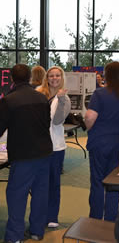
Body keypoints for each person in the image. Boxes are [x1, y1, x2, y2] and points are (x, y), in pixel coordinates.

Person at [0, 64, 53, 242]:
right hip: (45, 152)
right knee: (40, 192)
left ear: (12, 79)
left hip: (23, 156)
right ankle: (37, 231)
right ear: (30, 77)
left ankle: (14, 236)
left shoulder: (9, 100)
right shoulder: (42, 98)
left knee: (17, 195)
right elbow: (47, 123)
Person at [85, 61, 119, 221]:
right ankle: (111, 220)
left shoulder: (99, 94)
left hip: (100, 143)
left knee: (98, 182)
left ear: (107, 75)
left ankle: (95, 219)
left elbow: (90, 117)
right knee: (113, 184)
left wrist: (88, 127)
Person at [37, 66, 71, 228]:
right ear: (47, 77)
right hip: (37, 146)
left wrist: (61, 99)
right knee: (39, 184)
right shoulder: (38, 92)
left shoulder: (65, 98)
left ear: (61, 77)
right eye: (51, 76)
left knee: (53, 184)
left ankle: (52, 216)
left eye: (57, 75)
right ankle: (39, 216)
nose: (54, 78)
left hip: (55, 147)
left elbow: (57, 121)